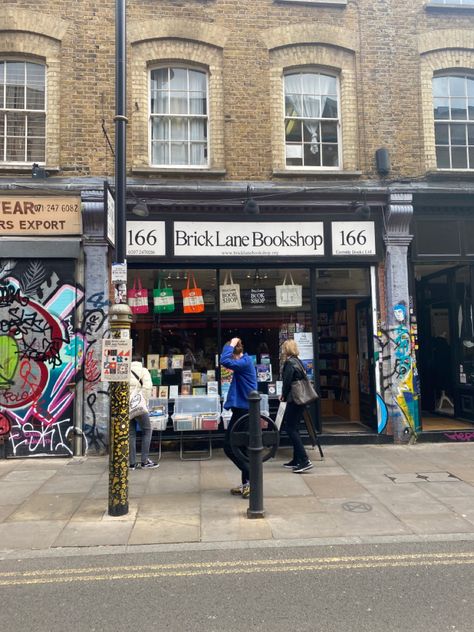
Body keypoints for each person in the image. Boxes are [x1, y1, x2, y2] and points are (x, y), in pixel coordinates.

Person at [221, 337, 257, 498]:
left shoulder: (244, 362)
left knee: (231, 446)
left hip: (245, 411)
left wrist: (232, 344)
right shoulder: (243, 362)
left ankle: (252, 479)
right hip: (241, 410)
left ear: (237, 353)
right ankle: (247, 483)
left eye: (232, 355)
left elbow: (224, 360)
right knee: (240, 447)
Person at [280, 339, 313, 473]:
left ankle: (304, 460)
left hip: (294, 399)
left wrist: (283, 395)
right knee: (294, 428)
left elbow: (287, 382)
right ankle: (296, 459)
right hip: (301, 399)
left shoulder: (289, 363)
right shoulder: (298, 361)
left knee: (290, 428)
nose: (282, 350)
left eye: (284, 348)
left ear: (287, 349)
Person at [129, 354, 159, 470]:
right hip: (139, 405)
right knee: (147, 431)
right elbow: (147, 387)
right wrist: (145, 403)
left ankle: (132, 463)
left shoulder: (125, 371)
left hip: (127, 406)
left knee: (131, 434)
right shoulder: (143, 371)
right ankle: (144, 460)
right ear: (141, 361)